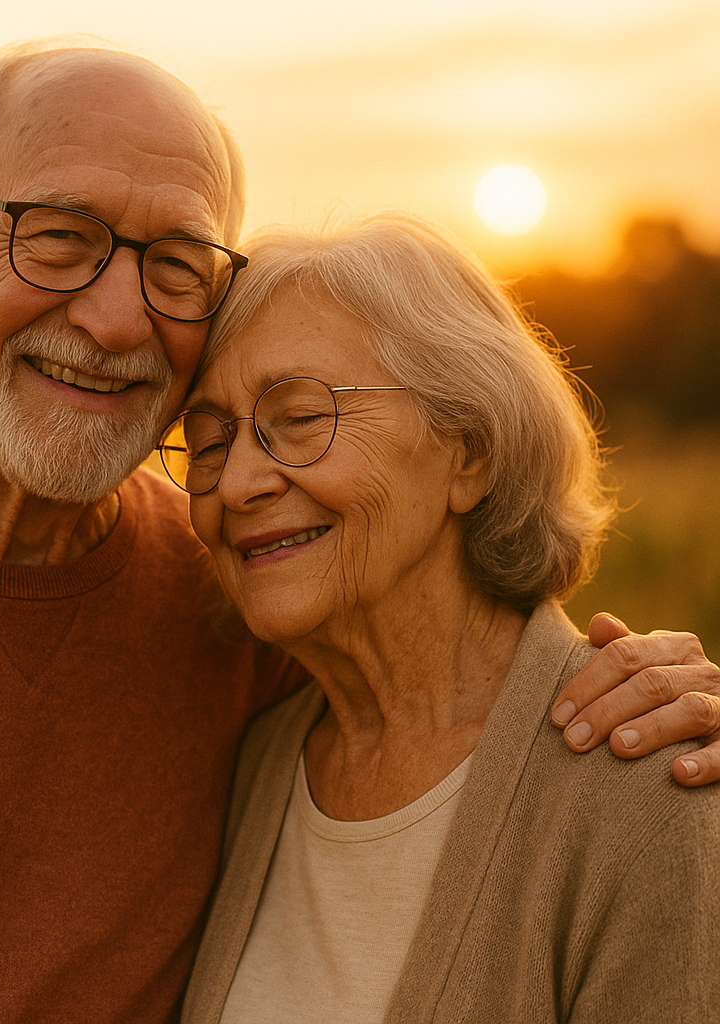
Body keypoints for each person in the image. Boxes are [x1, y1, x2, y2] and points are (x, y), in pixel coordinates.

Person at [0, 42, 716, 1024]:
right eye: (57, 235)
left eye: (176, 265)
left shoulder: (237, 612)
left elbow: (465, 689)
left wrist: (658, 695)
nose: (113, 319)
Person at [167, 213, 720, 1022]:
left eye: (301, 418)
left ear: (469, 453)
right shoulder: (256, 760)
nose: (237, 481)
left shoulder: (654, 791)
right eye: (209, 440)